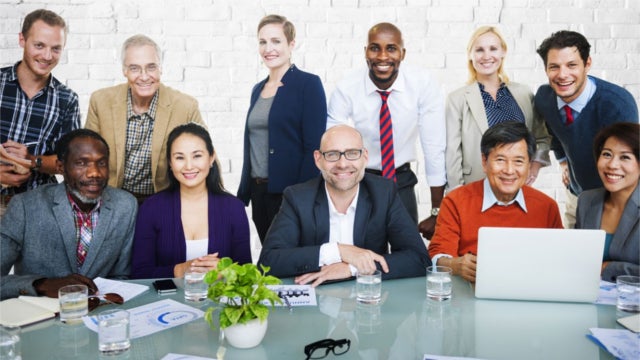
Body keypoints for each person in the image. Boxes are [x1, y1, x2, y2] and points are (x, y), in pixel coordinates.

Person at [258, 125, 430, 287]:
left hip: (369, 302)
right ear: (318, 159)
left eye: (352, 153)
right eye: (332, 154)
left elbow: (418, 259)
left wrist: (352, 268)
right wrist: (339, 251)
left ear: (365, 157)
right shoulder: (297, 197)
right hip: (317, 301)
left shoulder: (384, 193)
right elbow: (269, 262)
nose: (342, 164)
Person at [327, 22, 446, 240]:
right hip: (362, 181)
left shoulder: (422, 83)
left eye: (391, 48)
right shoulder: (347, 87)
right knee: (366, 258)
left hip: (401, 180)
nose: (382, 56)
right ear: (365, 52)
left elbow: (434, 147)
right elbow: (333, 145)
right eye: (375, 48)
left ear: (403, 53)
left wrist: (436, 211)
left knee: (411, 253)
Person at [1, 129, 137, 299]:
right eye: (81, 163)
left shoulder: (125, 205)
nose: (94, 172)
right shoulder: (25, 207)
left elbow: (122, 278)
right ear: (60, 167)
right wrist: (41, 285)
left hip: (100, 317)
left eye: (101, 163)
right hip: (40, 317)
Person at [428, 122, 563, 283]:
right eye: (500, 160)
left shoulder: (546, 207)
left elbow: (560, 260)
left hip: (529, 292)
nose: (509, 170)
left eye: (518, 161)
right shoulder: (456, 201)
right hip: (471, 293)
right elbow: (438, 256)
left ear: (529, 164)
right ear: (484, 162)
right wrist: (455, 265)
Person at [534, 30, 639, 228]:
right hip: (576, 195)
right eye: (554, 67)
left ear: (587, 64)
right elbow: (553, 131)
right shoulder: (544, 98)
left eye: (572, 65)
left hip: (614, 199)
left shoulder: (617, 104)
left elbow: (628, 161)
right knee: (573, 254)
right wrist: (564, 162)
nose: (563, 75)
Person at [237, 14, 327, 243]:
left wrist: (300, 197)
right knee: (270, 263)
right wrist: (243, 195)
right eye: (263, 42)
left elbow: (313, 147)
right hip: (259, 194)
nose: (269, 48)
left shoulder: (308, 84)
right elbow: (252, 144)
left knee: (287, 260)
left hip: (290, 195)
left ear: (291, 44)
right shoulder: (257, 89)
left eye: (276, 41)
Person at [85, 34, 205, 204]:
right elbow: (87, 157)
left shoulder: (185, 107)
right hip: (112, 199)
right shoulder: (100, 101)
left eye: (151, 67)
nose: (144, 76)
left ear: (160, 68)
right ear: (124, 70)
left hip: (164, 200)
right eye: (134, 68)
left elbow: (205, 159)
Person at [131, 123, 251, 279]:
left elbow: (248, 272)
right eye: (179, 157)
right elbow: (139, 273)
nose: (189, 166)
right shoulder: (151, 208)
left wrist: (226, 270)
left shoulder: (234, 208)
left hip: (220, 301)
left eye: (197, 156)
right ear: (170, 163)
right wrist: (180, 270)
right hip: (166, 302)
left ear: (211, 158)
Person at [446, 26, 551, 189]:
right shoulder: (457, 99)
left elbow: (542, 138)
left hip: (517, 186)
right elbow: (452, 154)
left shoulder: (523, 93)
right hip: (475, 186)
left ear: (503, 52)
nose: (487, 56)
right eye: (479, 50)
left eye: (493, 49)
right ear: (470, 55)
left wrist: (534, 167)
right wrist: (457, 195)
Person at [0, 9, 80, 215]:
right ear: (21, 40)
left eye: (56, 48)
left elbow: (67, 163)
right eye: (39, 45)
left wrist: (30, 158)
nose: (47, 56)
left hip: (38, 209)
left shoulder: (67, 99)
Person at [575, 123, 639, 282]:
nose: (612, 165)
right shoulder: (586, 201)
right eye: (607, 154)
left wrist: (608, 268)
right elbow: (576, 258)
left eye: (625, 157)